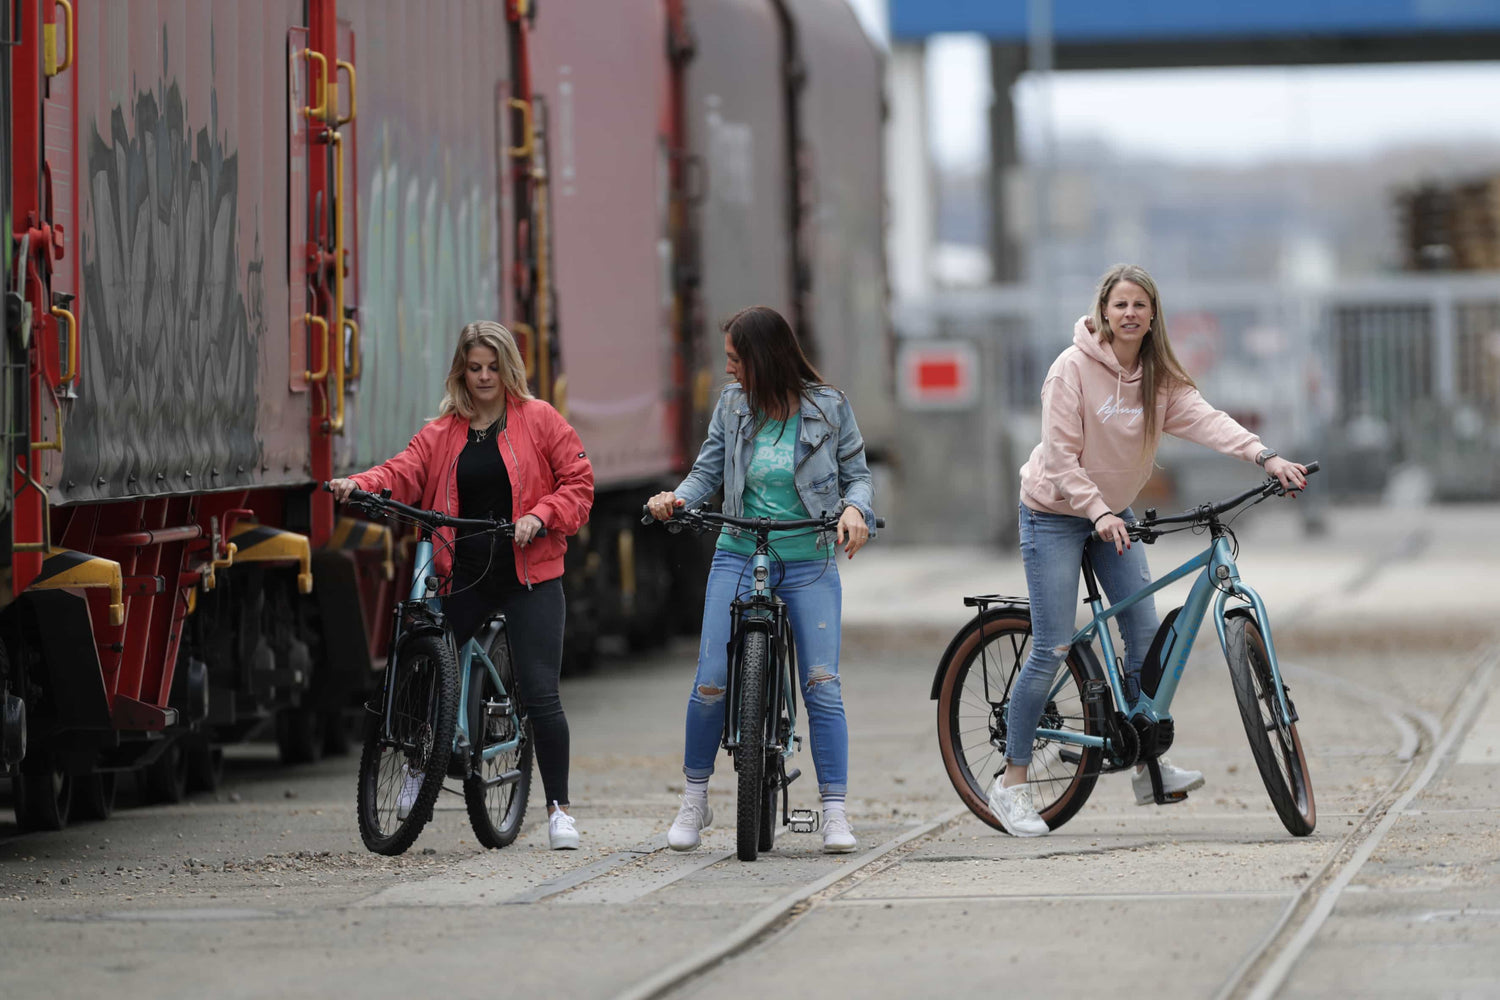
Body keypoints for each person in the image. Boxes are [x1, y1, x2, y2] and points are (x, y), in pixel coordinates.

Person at [991, 264, 1307, 838]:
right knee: (1053, 642)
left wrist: (1266, 457)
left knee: (1143, 637)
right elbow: (1060, 459)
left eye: (1141, 305)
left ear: (1153, 314)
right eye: (1120, 305)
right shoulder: (1071, 369)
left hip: (1114, 516)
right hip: (1055, 513)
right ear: (1104, 313)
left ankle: (1147, 766)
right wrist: (1099, 511)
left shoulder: (1158, 380)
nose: (1130, 313)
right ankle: (1011, 782)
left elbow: (1210, 422)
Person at [329, 321, 594, 849]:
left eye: (493, 368)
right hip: (465, 573)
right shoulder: (443, 432)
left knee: (542, 695)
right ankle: (413, 769)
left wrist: (541, 516)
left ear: (509, 367)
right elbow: (402, 471)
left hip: (528, 577)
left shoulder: (539, 420)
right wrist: (359, 484)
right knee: (418, 665)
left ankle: (559, 810)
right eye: (474, 368)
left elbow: (579, 485)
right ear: (461, 371)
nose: (484, 378)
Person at [646, 306, 876, 854]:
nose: (728, 369)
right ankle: (695, 801)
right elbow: (708, 469)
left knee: (822, 682)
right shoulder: (731, 407)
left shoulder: (829, 407)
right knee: (709, 681)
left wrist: (854, 510)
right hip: (738, 551)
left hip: (809, 558)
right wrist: (679, 498)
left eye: (734, 359)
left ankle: (836, 813)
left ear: (763, 359)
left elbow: (857, 475)